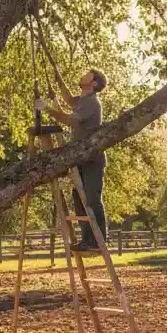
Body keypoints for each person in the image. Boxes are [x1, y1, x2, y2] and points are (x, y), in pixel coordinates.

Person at [37, 68, 108, 252]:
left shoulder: (92, 103)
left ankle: (99, 241)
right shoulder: (82, 100)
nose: (84, 74)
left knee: (92, 198)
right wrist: (57, 75)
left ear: (93, 83)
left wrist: (46, 108)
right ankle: (87, 240)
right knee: (79, 198)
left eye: (88, 74)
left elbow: (70, 120)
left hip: (92, 159)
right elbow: (68, 98)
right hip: (80, 158)